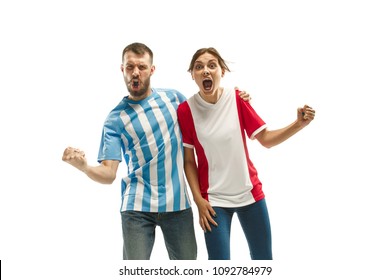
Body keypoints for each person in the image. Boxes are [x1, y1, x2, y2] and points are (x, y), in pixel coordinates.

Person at [62, 42, 250, 260]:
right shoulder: (115, 120)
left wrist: (234, 98)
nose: (135, 73)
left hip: (178, 206)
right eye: (130, 67)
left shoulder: (174, 99)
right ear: (122, 70)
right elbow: (108, 174)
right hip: (136, 208)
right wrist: (84, 167)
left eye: (141, 67)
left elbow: (207, 108)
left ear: (152, 70)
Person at [177, 47, 316, 260]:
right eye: (199, 67)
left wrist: (298, 124)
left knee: (263, 263)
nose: (206, 71)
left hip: (249, 194)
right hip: (213, 202)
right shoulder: (186, 110)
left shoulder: (237, 99)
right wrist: (199, 200)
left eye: (212, 65)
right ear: (192, 75)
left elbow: (266, 139)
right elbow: (189, 161)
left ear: (221, 72)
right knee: (219, 267)